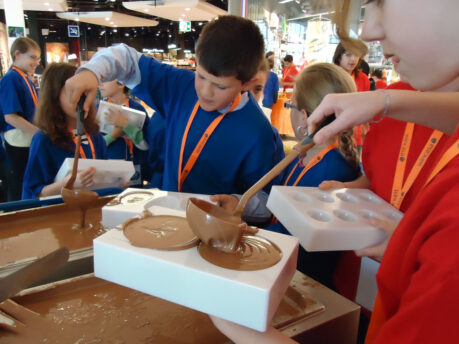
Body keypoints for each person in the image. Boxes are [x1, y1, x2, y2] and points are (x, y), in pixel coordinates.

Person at [209, 0, 459, 342]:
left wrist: (246, 329)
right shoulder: (391, 107)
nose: (368, 30)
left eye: (381, 2)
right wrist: (387, 102)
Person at [62, 15, 284, 195]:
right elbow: (127, 59)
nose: (205, 92)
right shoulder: (181, 86)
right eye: (201, 76)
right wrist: (91, 72)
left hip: (213, 237)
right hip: (166, 217)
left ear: (248, 83)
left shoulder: (258, 133)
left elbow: (265, 201)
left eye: (220, 86)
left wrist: (235, 203)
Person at [211, 63, 361, 289]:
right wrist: (240, 204)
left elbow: (294, 238)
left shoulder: (332, 172)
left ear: (304, 116)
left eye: (290, 105)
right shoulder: (304, 153)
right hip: (284, 268)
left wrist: (241, 233)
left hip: (304, 281)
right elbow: (280, 204)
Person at [22, 63, 106, 199]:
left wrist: (116, 182)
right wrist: (68, 183)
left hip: (93, 211)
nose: (82, 99)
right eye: (73, 92)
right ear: (54, 96)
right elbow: (32, 194)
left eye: (85, 92)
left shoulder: (94, 134)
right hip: (60, 216)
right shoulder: (44, 140)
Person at [0, 37, 40, 201]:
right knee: (19, 186)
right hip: (19, 141)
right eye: (33, 57)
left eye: (38, 58)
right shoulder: (11, 78)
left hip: (27, 140)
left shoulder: (24, 78)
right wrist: (40, 133)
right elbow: (10, 117)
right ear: (17, 54)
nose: (37, 62)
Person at [98, 81, 152, 187]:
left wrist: (127, 126)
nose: (100, 84)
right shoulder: (98, 109)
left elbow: (145, 144)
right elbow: (94, 146)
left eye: (105, 80)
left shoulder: (137, 109)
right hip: (106, 169)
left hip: (133, 169)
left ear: (121, 84)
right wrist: (113, 135)